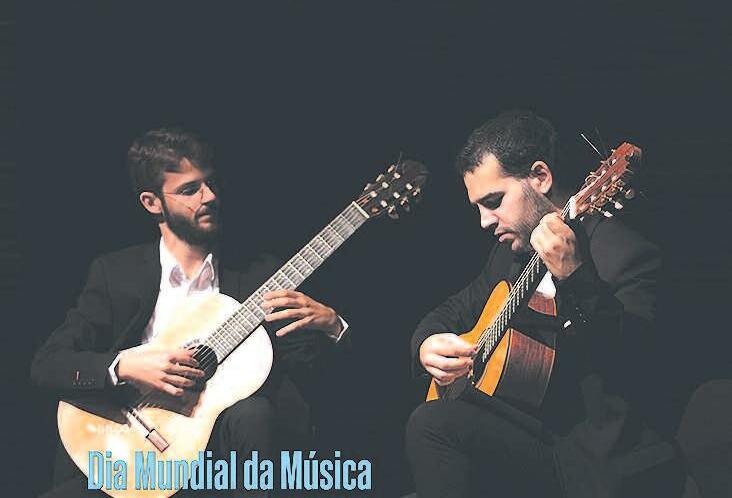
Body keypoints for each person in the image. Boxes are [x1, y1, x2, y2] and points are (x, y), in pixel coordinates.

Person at [31, 127, 350, 497]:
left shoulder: (259, 275)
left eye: (210, 183)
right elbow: (47, 364)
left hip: (222, 461)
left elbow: (311, 376)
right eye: (189, 189)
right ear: (152, 203)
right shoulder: (115, 274)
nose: (209, 196)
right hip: (126, 448)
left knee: (256, 413)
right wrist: (123, 366)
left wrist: (333, 326)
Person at [406, 111, 682, 497]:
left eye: (494, 201)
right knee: (430, 424)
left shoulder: (625, 254)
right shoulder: (510, 256)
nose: (484, 221)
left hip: (597, 463)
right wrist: (427, 344)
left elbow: (638, 362)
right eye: (478, 207)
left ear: (540, 177)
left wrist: (577, 278)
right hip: (537, 440)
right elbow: (452, 310)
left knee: (432, 427)